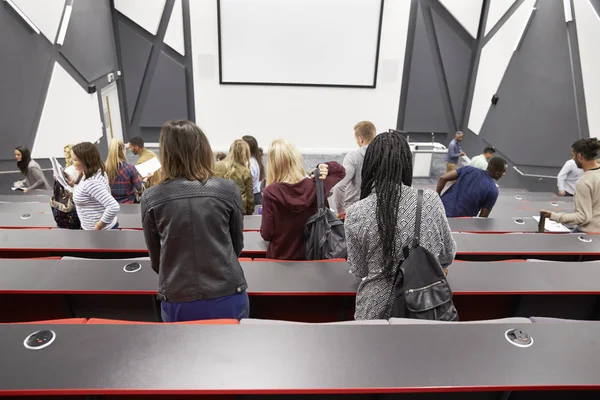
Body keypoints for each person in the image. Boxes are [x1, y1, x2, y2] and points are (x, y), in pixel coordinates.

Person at [141, 120, 249, 322]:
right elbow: (236, 245)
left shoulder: (151, 197)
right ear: (203, 149)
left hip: (178, 294)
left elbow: (157, 259)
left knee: (183, 353)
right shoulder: (227, 189)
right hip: (227, 290)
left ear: (166, 153)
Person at [345, 132, 456, 320]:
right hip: (422, 307)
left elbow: (359, 270)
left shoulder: (356, 211)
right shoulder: (430, 200)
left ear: (370, 165)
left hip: (374, 312)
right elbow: (447, 254)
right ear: (406, 163)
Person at [260, 139, 345, 260]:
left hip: (280, 260)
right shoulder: (317, 186)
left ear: (273, 164)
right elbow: (341, 171)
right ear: (296, 159)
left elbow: (266, 234)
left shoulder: (270, 193)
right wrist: (326, 167)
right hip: (314, 257)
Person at [541, 138, 600, 233]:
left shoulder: (584, 182)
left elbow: (583, 217)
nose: (573, 159)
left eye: (573, 156)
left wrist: (553, 216)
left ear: (580, 156)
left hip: (590, 233)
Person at [333, 121, 376, 220]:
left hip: (354, 212)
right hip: (376, 212)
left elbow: (340, 186)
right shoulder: (385, 156)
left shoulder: (353, 157)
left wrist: (340, 211)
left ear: (360, 139)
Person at [71, 142, 120, 230]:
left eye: (75, 160)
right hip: (92, 228)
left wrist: (98, 227)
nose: (72, 162)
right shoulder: (94, 171)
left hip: (100, 232)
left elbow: (113, 207)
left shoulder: (91, 183)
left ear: (85, 161)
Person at [437, 157, 507, 218]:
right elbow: (482, 218)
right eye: (503, 171)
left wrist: (438, 196)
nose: (504, 174)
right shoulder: (493, 190)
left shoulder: (468, 169)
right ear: (497, 173)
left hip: (440, 209)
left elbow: (443, 178)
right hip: (459, 221)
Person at [214, 139, 254, 215]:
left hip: (217, 208)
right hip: (237, 211)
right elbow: (250, 198)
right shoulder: (245, 171)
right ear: (245, 153)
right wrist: (249, 211)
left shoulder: (216, 166)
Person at [105, 139, 142, 204]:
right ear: (123, 150)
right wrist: (145, 180)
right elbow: (139, 188)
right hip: (129, 205)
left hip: (111, 205)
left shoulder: (104, 169)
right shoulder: (130, 168)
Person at [242, 135, 265, 205]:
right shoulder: (254, 160)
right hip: (255, 195)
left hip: (252, 196)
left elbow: (248, 182)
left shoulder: (250, 163)